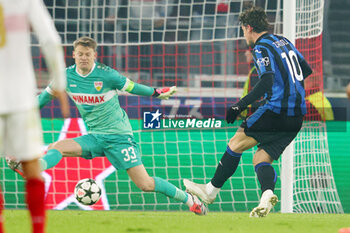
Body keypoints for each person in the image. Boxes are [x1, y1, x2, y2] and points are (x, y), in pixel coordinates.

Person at [8, 36, 207, 215]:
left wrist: (156, 92)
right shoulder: (65, 77)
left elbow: (132, 87)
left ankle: (190, 199)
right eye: (80, 54)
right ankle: (32, 170)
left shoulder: (107, 75)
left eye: (87, 54)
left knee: (145, 184)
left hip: (120, 137)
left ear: (94, 55)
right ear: (73, 55)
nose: (83, 58)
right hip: (94, 137)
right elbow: (42, 99)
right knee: (56, 147)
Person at [183, 6, 313, 217]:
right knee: (261, 158)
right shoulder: (284, 41)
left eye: (243, 30)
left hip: (276, 111)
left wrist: (239, 105)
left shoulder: (261, 47)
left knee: (235, 144)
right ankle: (266, 196)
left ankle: (210, 191)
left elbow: (267, 79)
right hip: (297, 117)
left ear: (249, 27)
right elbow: (305, 70)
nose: (244, 35)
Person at [0, 0, 70, 232]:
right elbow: (50, 40)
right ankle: (37, 229)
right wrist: (59, 83)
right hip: (20, 97)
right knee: (31, 167)